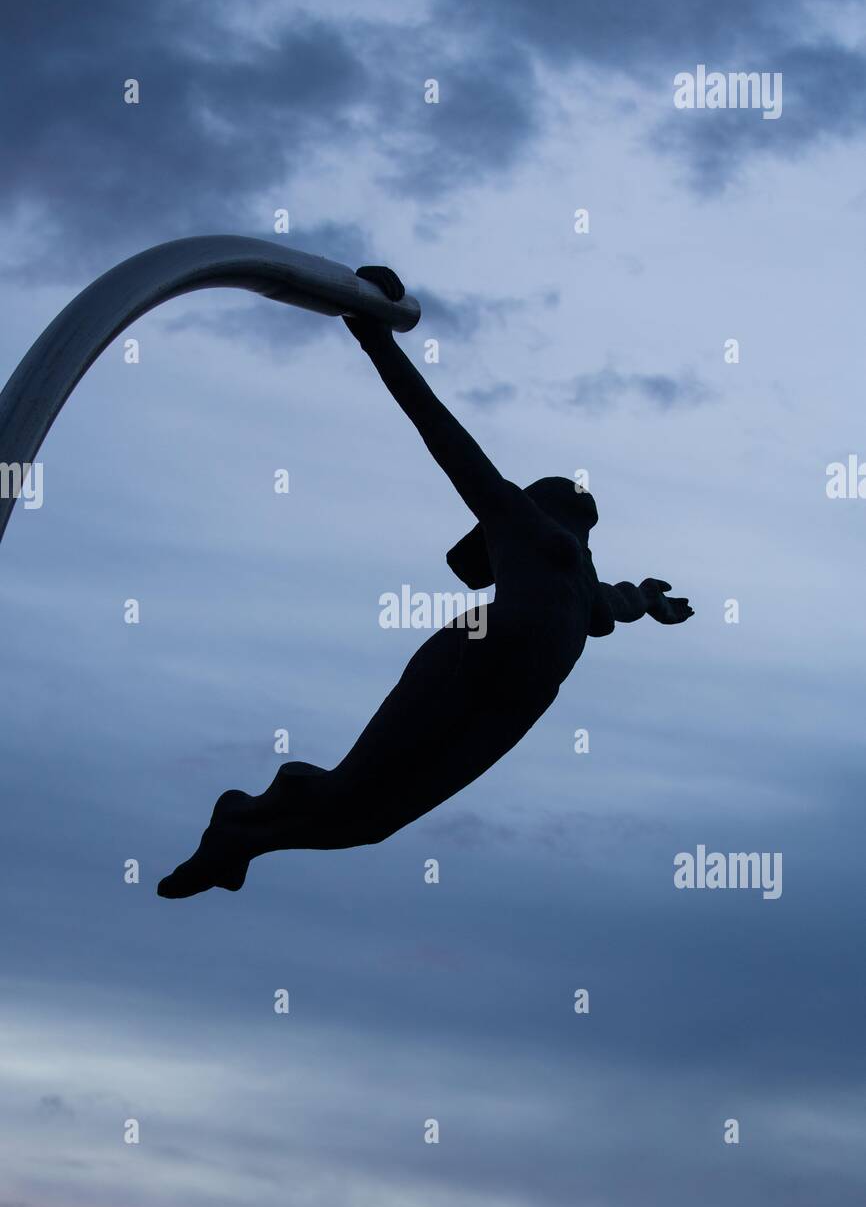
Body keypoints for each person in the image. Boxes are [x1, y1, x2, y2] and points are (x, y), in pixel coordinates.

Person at [158, 267, 693, 899]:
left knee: (372, 823)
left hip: (520, 700)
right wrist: (377, 342)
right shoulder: (523, 525)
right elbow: (445, 438)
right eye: (575, 495)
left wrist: (654, 602)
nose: (586, 499)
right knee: (351, 789)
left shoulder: (588, 582)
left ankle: (246, 835)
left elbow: (622, 605)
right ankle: (244, 810)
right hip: (478, 651)